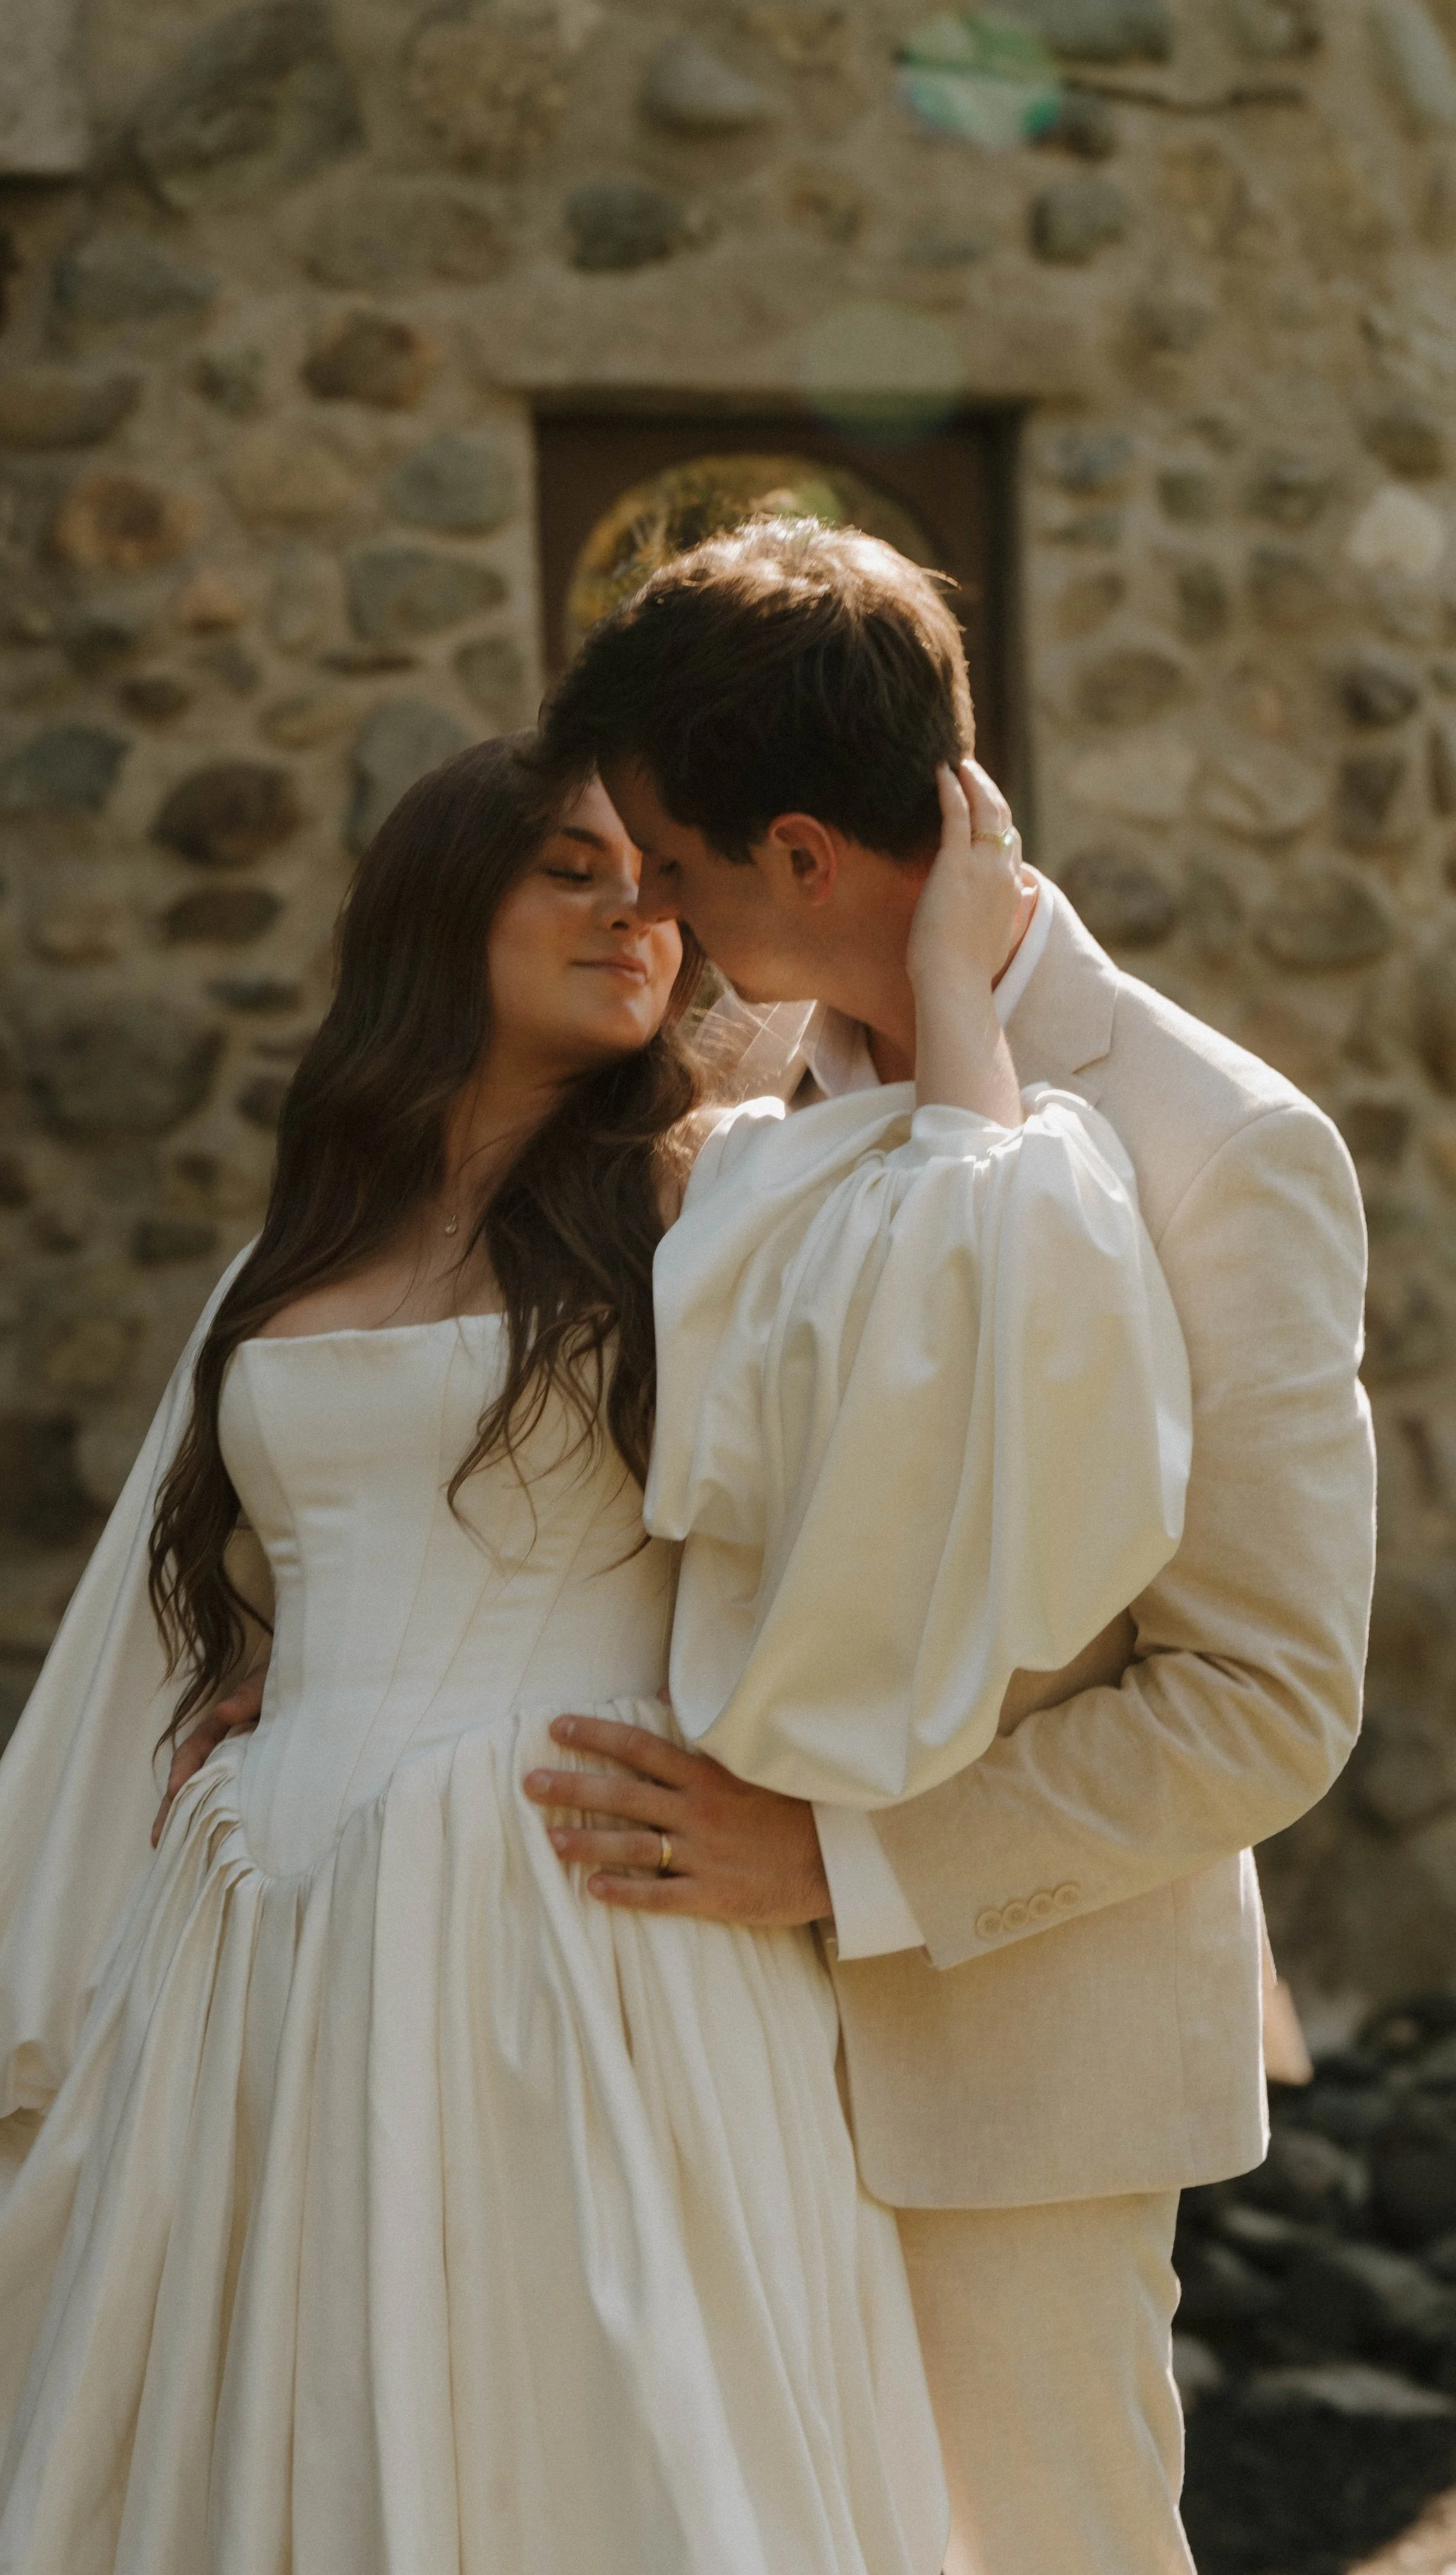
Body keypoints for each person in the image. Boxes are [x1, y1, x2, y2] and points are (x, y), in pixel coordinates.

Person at [0, 733, 1189, 2575]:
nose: (634, 909)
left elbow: (966, 1342)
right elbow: (140, 1643)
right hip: (265, 1948)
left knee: (602, 2462)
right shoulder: (288, 1254)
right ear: (434, 907)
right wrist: (24, 2002)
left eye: (656, 879)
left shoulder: (708, 1200)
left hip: (573, 1918)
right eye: (570, 866)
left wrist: (952, 980)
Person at [507, 517, 1374, 2575]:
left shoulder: (1216, 1141)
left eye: (685, 870)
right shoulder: (719, 1108)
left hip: (1015, 2081)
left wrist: (833, 1861)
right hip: (680, 2035)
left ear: (801, 854)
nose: (666, 926)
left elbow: (1266, 1698)